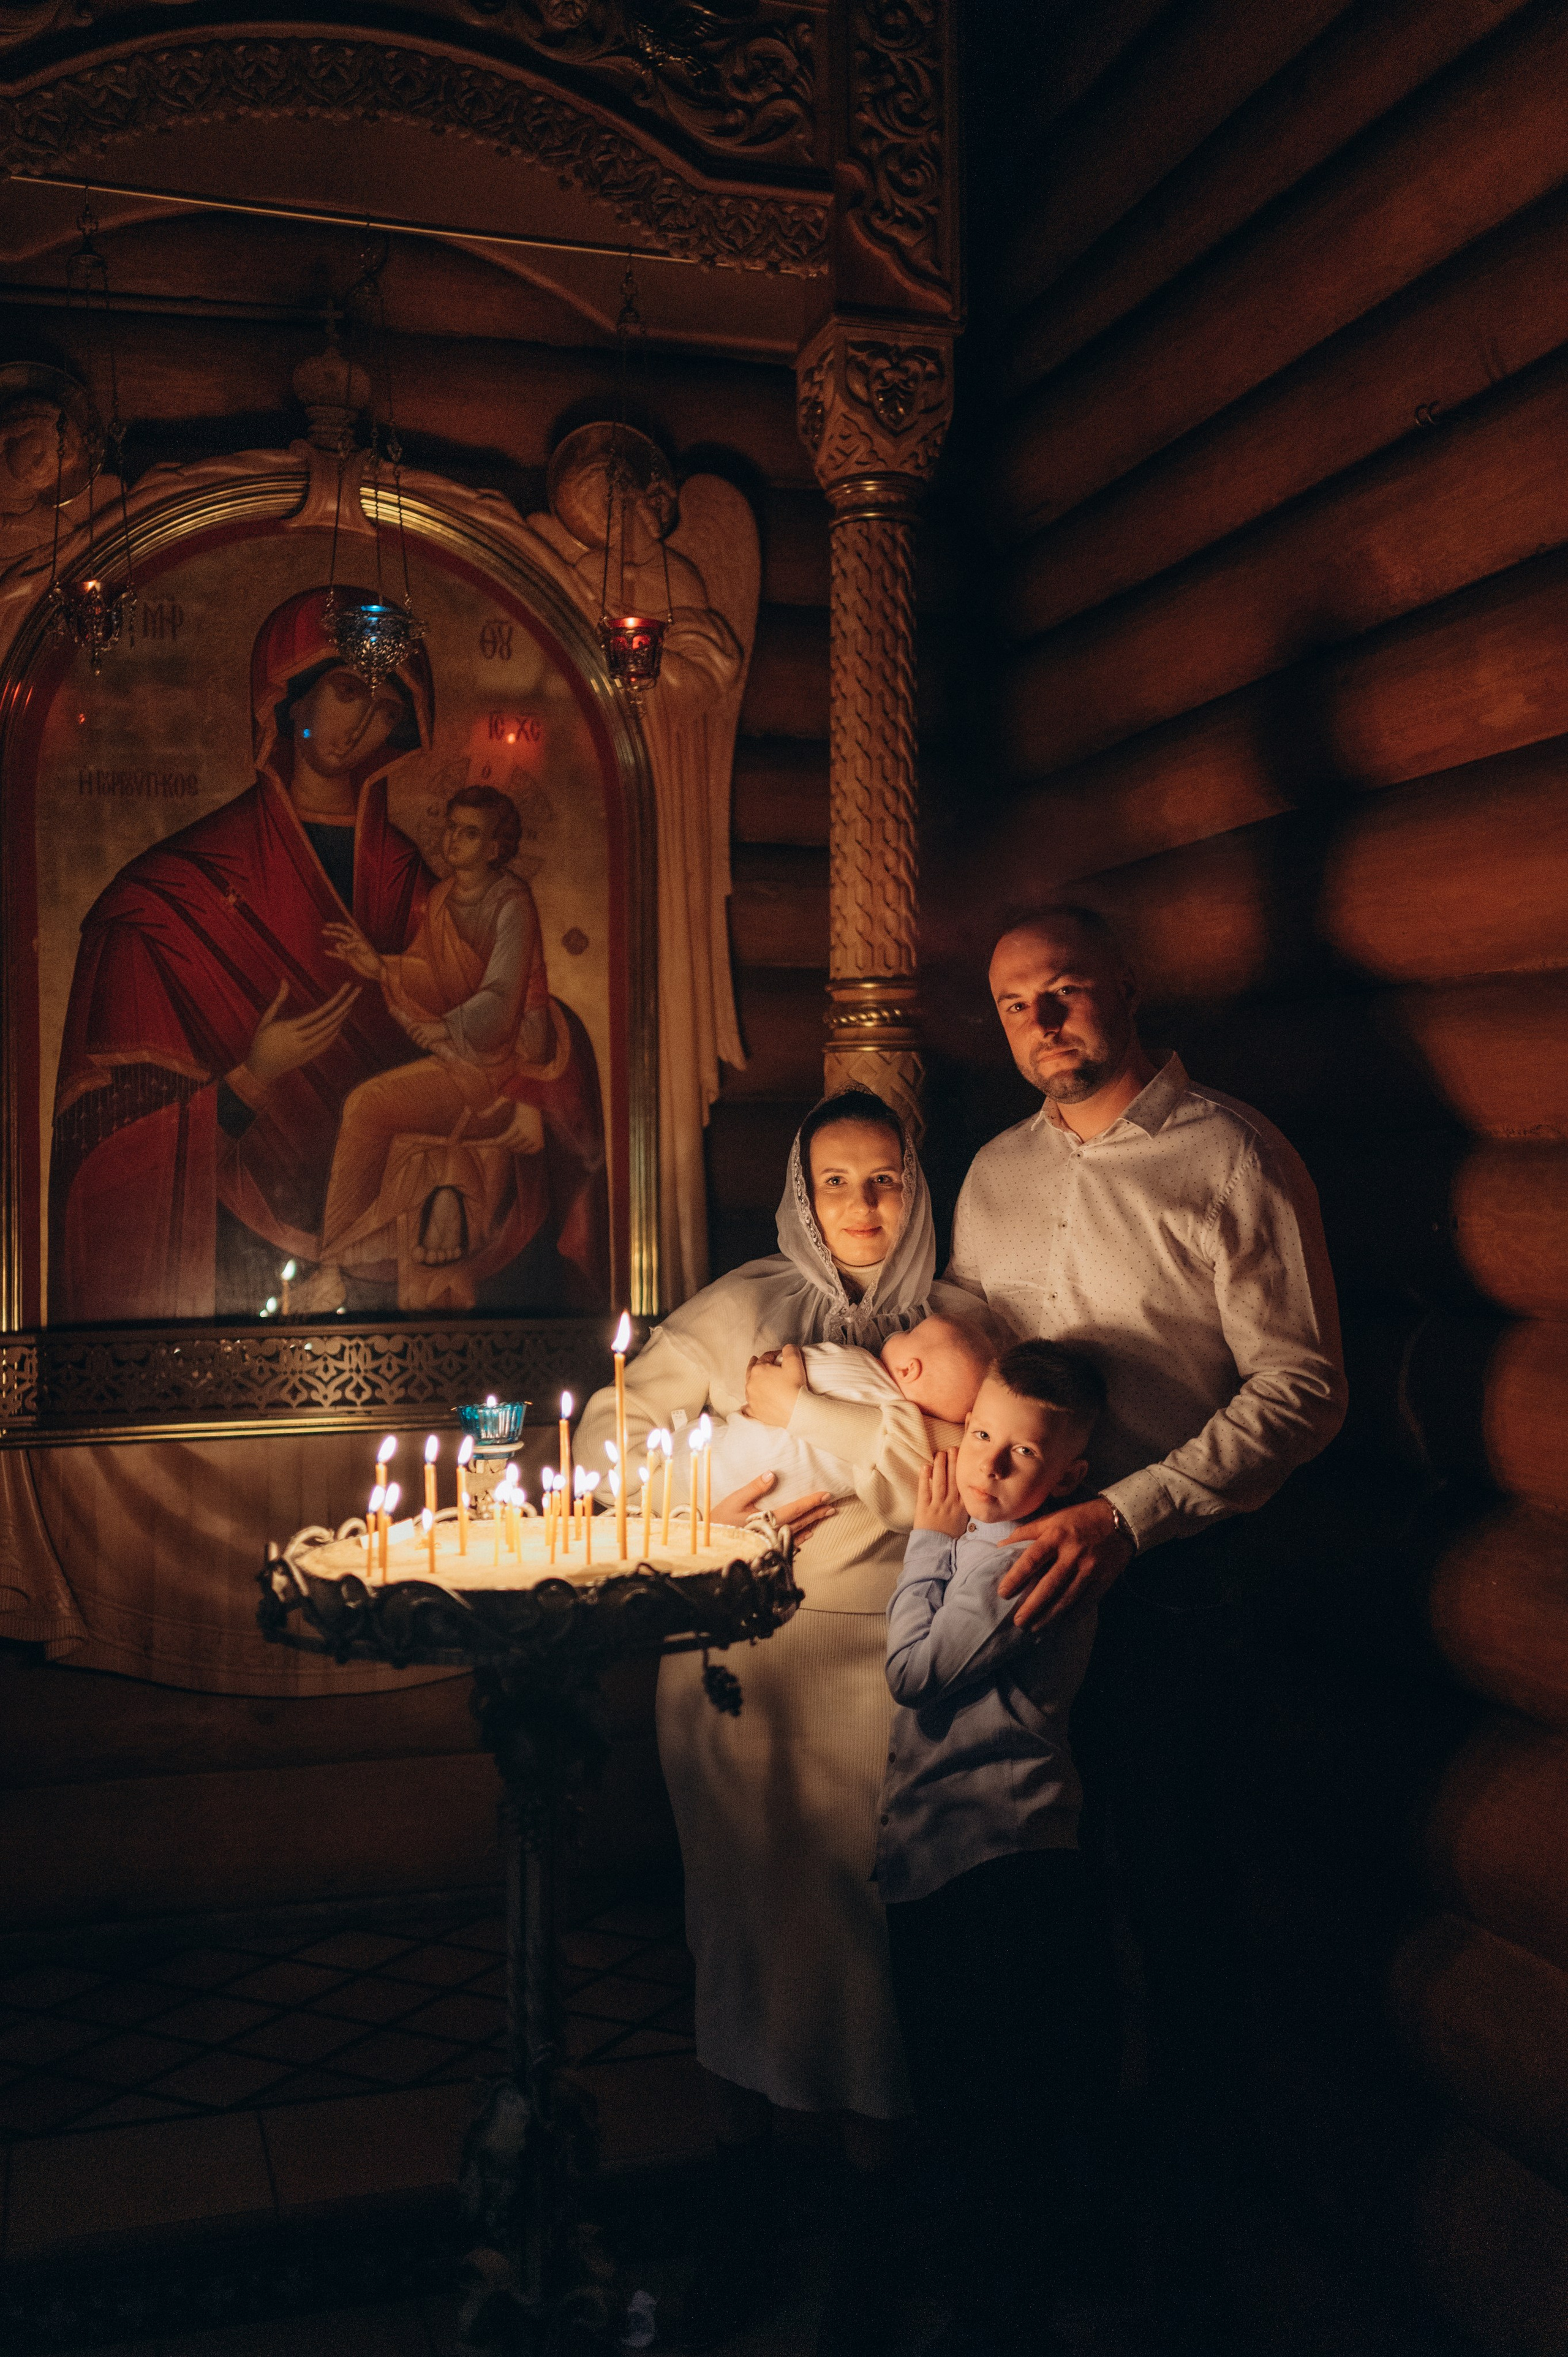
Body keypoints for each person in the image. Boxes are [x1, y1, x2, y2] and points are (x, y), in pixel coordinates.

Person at [945, 903, 1348, 2354]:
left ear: (1122, 987)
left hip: (1172, 1581)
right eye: (1012, 1004)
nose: (1042, 1021)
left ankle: (1189, 2262)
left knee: (1178, 1909)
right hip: (1019, 1577)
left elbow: (1300, 1383)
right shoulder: (988, 1175)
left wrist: (1127, 1514)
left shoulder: (1226, 1154)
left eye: (1062, 991)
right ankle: (1059, 2220)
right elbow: (982, 1361)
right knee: (1041, 1918)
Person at [575, 1088, 978, 2353]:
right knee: (734, 1931)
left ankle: (866, 2228)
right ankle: (742, 2207)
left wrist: (806, 1411)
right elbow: (610, 1428)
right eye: (835, 1183)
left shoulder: (954, 1319)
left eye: (886, 1180)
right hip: (728, 1667)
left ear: (919, 1188)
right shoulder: (746, 1300)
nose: (861, 1207)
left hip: (870, 1670)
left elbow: (941, 1484)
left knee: (854, 1945)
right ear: (797, 1196)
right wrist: (715, 1514)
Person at [51, 586, 432, 1319]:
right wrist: (252, 1080)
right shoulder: (163, 900)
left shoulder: (409, 881)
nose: (361, 724)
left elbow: (470, 1021)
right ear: (289, 702)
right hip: (231, 1248)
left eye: (386, 708)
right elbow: (99, 1155)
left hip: (392, 1233)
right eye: (348, 690)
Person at [879, 1341, 1114, 2357]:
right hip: (954, 1853)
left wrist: (926, 1542)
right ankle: (988, 2299)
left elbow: (915, 1670)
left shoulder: (1018, 1555)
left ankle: (1001, 2318)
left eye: (1024, 1453)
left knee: (991, 2103)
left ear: (1070, 1476)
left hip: (999, 1860)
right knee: (968, 2095)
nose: (990, 1465)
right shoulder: (992, 1534)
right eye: (982, 1435)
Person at [301, 782, 606, 1311]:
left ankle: (333, 1266)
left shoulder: (511, 901)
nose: (454, 840)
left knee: (366, 1108)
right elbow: (429, 973)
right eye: (451, 827)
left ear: (495, 847)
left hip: (507, 1061)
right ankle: (340, 1262)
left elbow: (503, 996)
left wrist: (448, 1030)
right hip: (464, 1052)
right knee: (372, 1107)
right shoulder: (441, 898)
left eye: (470, 833)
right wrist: (384, 968)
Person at [702, 1314, 995, 1504]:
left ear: (909, 1370)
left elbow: (791, 1365)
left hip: (720, 1461)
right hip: (762, 1501)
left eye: (910, 1332)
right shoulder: (911, 1445)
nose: (896, 1333)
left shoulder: (857, 1361)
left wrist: (781, 1366)